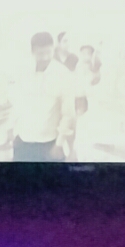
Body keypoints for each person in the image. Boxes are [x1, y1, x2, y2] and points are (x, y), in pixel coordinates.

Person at [12, 30, 79, 160]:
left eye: (49, 52)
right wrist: (11, 130)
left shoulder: (63, 75)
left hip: (49, 145)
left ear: (53, 49)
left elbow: (68, 114)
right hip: (23, 141)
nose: (45, 58)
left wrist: (59, 144)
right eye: (40, 54)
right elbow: (18, 104)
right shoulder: (23, 72)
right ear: (32, 52)